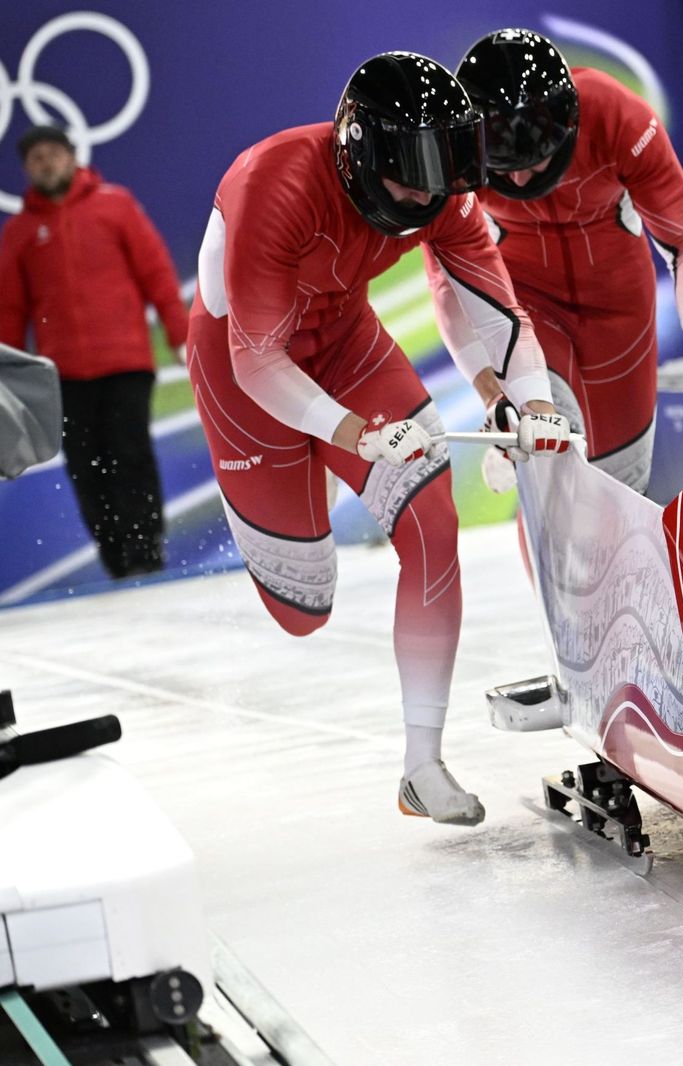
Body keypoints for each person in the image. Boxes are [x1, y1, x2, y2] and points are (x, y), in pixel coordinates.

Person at [187, 52, 570, 826]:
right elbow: (257, 362)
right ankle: (303, 475)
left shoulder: (444, 200)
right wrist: (352, 434)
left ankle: (420, 766)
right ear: (360, 156)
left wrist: (526, 407)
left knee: (434, 521)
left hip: (344, 342)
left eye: (444, 176)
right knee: (304, 610)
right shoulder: (274, 183)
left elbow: (497, 318)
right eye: (412, 176)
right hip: (246, 377)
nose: (428, 197)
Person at [452, 29, 683, 491]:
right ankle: (518, 450)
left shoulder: (616, 115)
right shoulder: (456, 152)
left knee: (620, 487)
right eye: (504, 165)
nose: (520, 178)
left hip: (620, 312)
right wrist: (491, 393)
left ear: (565, 127)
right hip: (526, 309)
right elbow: (448, 282)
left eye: (534, 160)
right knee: (555, 456)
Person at [0, 125, 188, 578]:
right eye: (36, 159)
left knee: (131, 453)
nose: (46, 164)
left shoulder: (115, 205)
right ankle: (115, 559)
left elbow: (157, 273)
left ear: (71, 156)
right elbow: (9, 308)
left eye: (53, 154)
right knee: (86, 467)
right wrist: (7, 377)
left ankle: (147, 551)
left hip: (125, 363)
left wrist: (180, 334)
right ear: (27, 170)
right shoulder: (20, 231)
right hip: (61, 376)